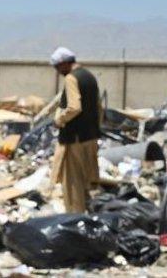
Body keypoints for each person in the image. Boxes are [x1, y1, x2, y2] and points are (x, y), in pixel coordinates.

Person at [49, 47, 101, 213]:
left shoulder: (71, 78)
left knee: (73, 182)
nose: (58, 72)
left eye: (58, 68)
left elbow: (74, 107)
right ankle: (90, 213)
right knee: (88, 179)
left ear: (64, 64)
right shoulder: (89, 76)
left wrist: (59, 119)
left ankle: (75, 217)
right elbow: (99, 108)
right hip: (90, 137)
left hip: (75, 138)